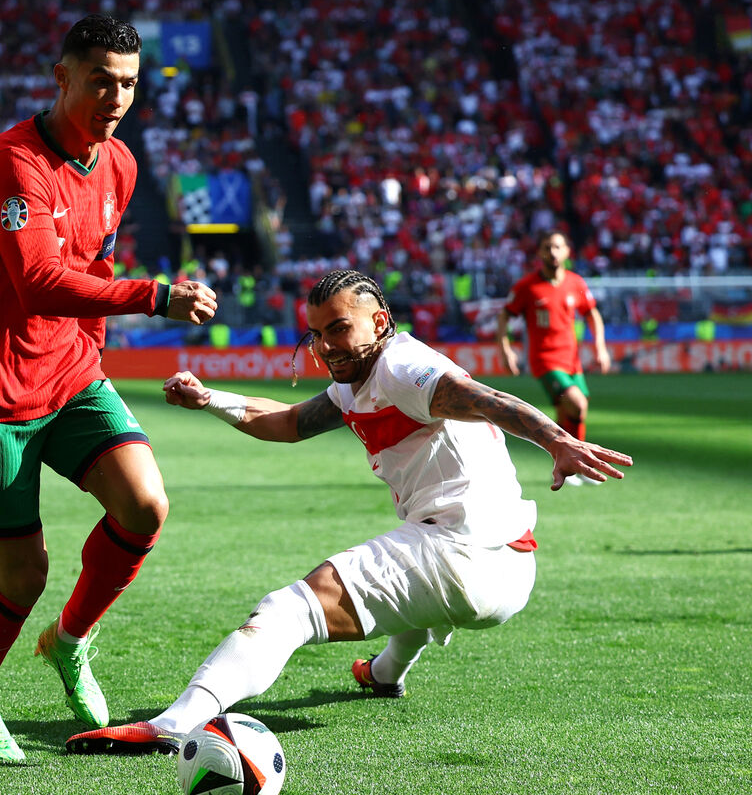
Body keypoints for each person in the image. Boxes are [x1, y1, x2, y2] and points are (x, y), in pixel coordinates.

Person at [65, 269, 631, 755]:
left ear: (379, 322)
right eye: (316, 334)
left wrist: (557, 440)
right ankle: (384, 674)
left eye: (339, 328)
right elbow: (288, 422)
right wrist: (212, 399)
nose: (326, 346)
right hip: (510, 568)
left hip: (463, 554)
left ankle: (172, 725)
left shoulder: (402, 367)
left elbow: (484, 398)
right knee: (408, 566)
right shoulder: (357, 381)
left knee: (287, 610)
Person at [0, 14, 218, 763]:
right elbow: (38, 281)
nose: (116, 97)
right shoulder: (14, 163)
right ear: (62, 78)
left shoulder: (119, 164)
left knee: (145, 504)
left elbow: (94, 266)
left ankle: (70, 640)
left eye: (128, 84)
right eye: (100, 81)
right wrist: (155, 297)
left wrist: (93, 356)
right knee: (23, 575)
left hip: (72, 373)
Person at [498, 231, 610, 484]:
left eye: (558, 247)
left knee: (569, 412)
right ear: (540, 252)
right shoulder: (527, 286)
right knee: (577, 404)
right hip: (545, 360)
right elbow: (504, 316)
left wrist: (600, 347)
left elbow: (592, 314)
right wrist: (505, 350)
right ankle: (579, 464)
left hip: (572, 359)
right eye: (547, 247)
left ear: (567, 251)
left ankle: (569, 466)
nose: (552, 252)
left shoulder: (575, 283)